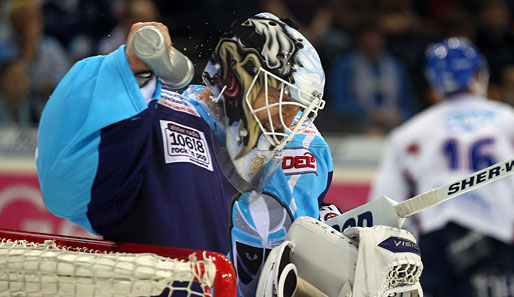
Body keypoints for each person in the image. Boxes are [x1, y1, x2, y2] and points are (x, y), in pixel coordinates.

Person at [36, 13, 333, 296]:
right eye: (283, 98)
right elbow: (64, 185)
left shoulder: (304, 145)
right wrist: (124, 73)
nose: (290, 119)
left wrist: (335, 233)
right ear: (239, 78)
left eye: (299, 107)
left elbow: (303, 225)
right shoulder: (154, 120)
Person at [369, 37, 514, 297]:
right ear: (479, 75)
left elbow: (383, 211)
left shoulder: (408, 134)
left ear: (432, 84)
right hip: (497, 240)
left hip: (436, 246)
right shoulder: (508, 121)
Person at [326, 20, 416, 134]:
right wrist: (368, 114)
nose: (372, 43)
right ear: (359, 40)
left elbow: (408, 102)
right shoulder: (344, 67)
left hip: (395, 125)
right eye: (368, 38)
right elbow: (338, 103)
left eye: (375, 38)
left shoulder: (396, 66)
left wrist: (400, 117)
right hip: (355, 126)